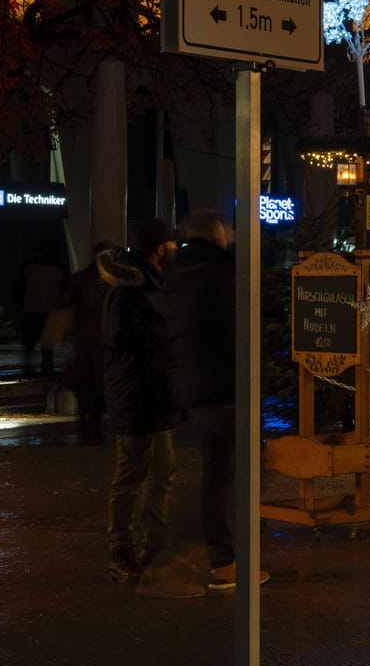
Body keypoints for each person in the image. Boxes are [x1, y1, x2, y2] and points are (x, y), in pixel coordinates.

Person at [164, 209, 267, 591]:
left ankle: (221, 560)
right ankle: (235, 561)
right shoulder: (222, 273)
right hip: (226, 388)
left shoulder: (179, 275)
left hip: (197, 390)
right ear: (218, 233)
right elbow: (237, 333)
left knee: (215, 473)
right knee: (245, 474)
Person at [100, 218, 179, 583]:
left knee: (162, 470)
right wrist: (165, 335)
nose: (177, 249)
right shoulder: (129, 286)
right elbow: (120, 336)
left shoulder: (152, 281)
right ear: (160, 248)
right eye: (172, 243)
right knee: (131, 474)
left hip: (154, 391)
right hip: (134, 392)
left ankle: (155, 541)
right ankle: (121, 548)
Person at [60, 242, 114, 440]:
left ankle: (85, 420)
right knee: (98, 383)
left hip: (83, 337)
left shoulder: (80, 278)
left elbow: (65, 301)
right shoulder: (112, 281)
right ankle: (94, 421)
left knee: (84, 381)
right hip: (101, 337)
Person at [16, 243, 67, 373]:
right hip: (51, 312)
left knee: (29, 347)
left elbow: (19, 289)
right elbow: (65, 291)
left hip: (30, 310)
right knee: (48, 348)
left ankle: (28, 371)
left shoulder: (27, 267)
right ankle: (47, 371)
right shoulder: (59, 268)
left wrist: (19, 308)